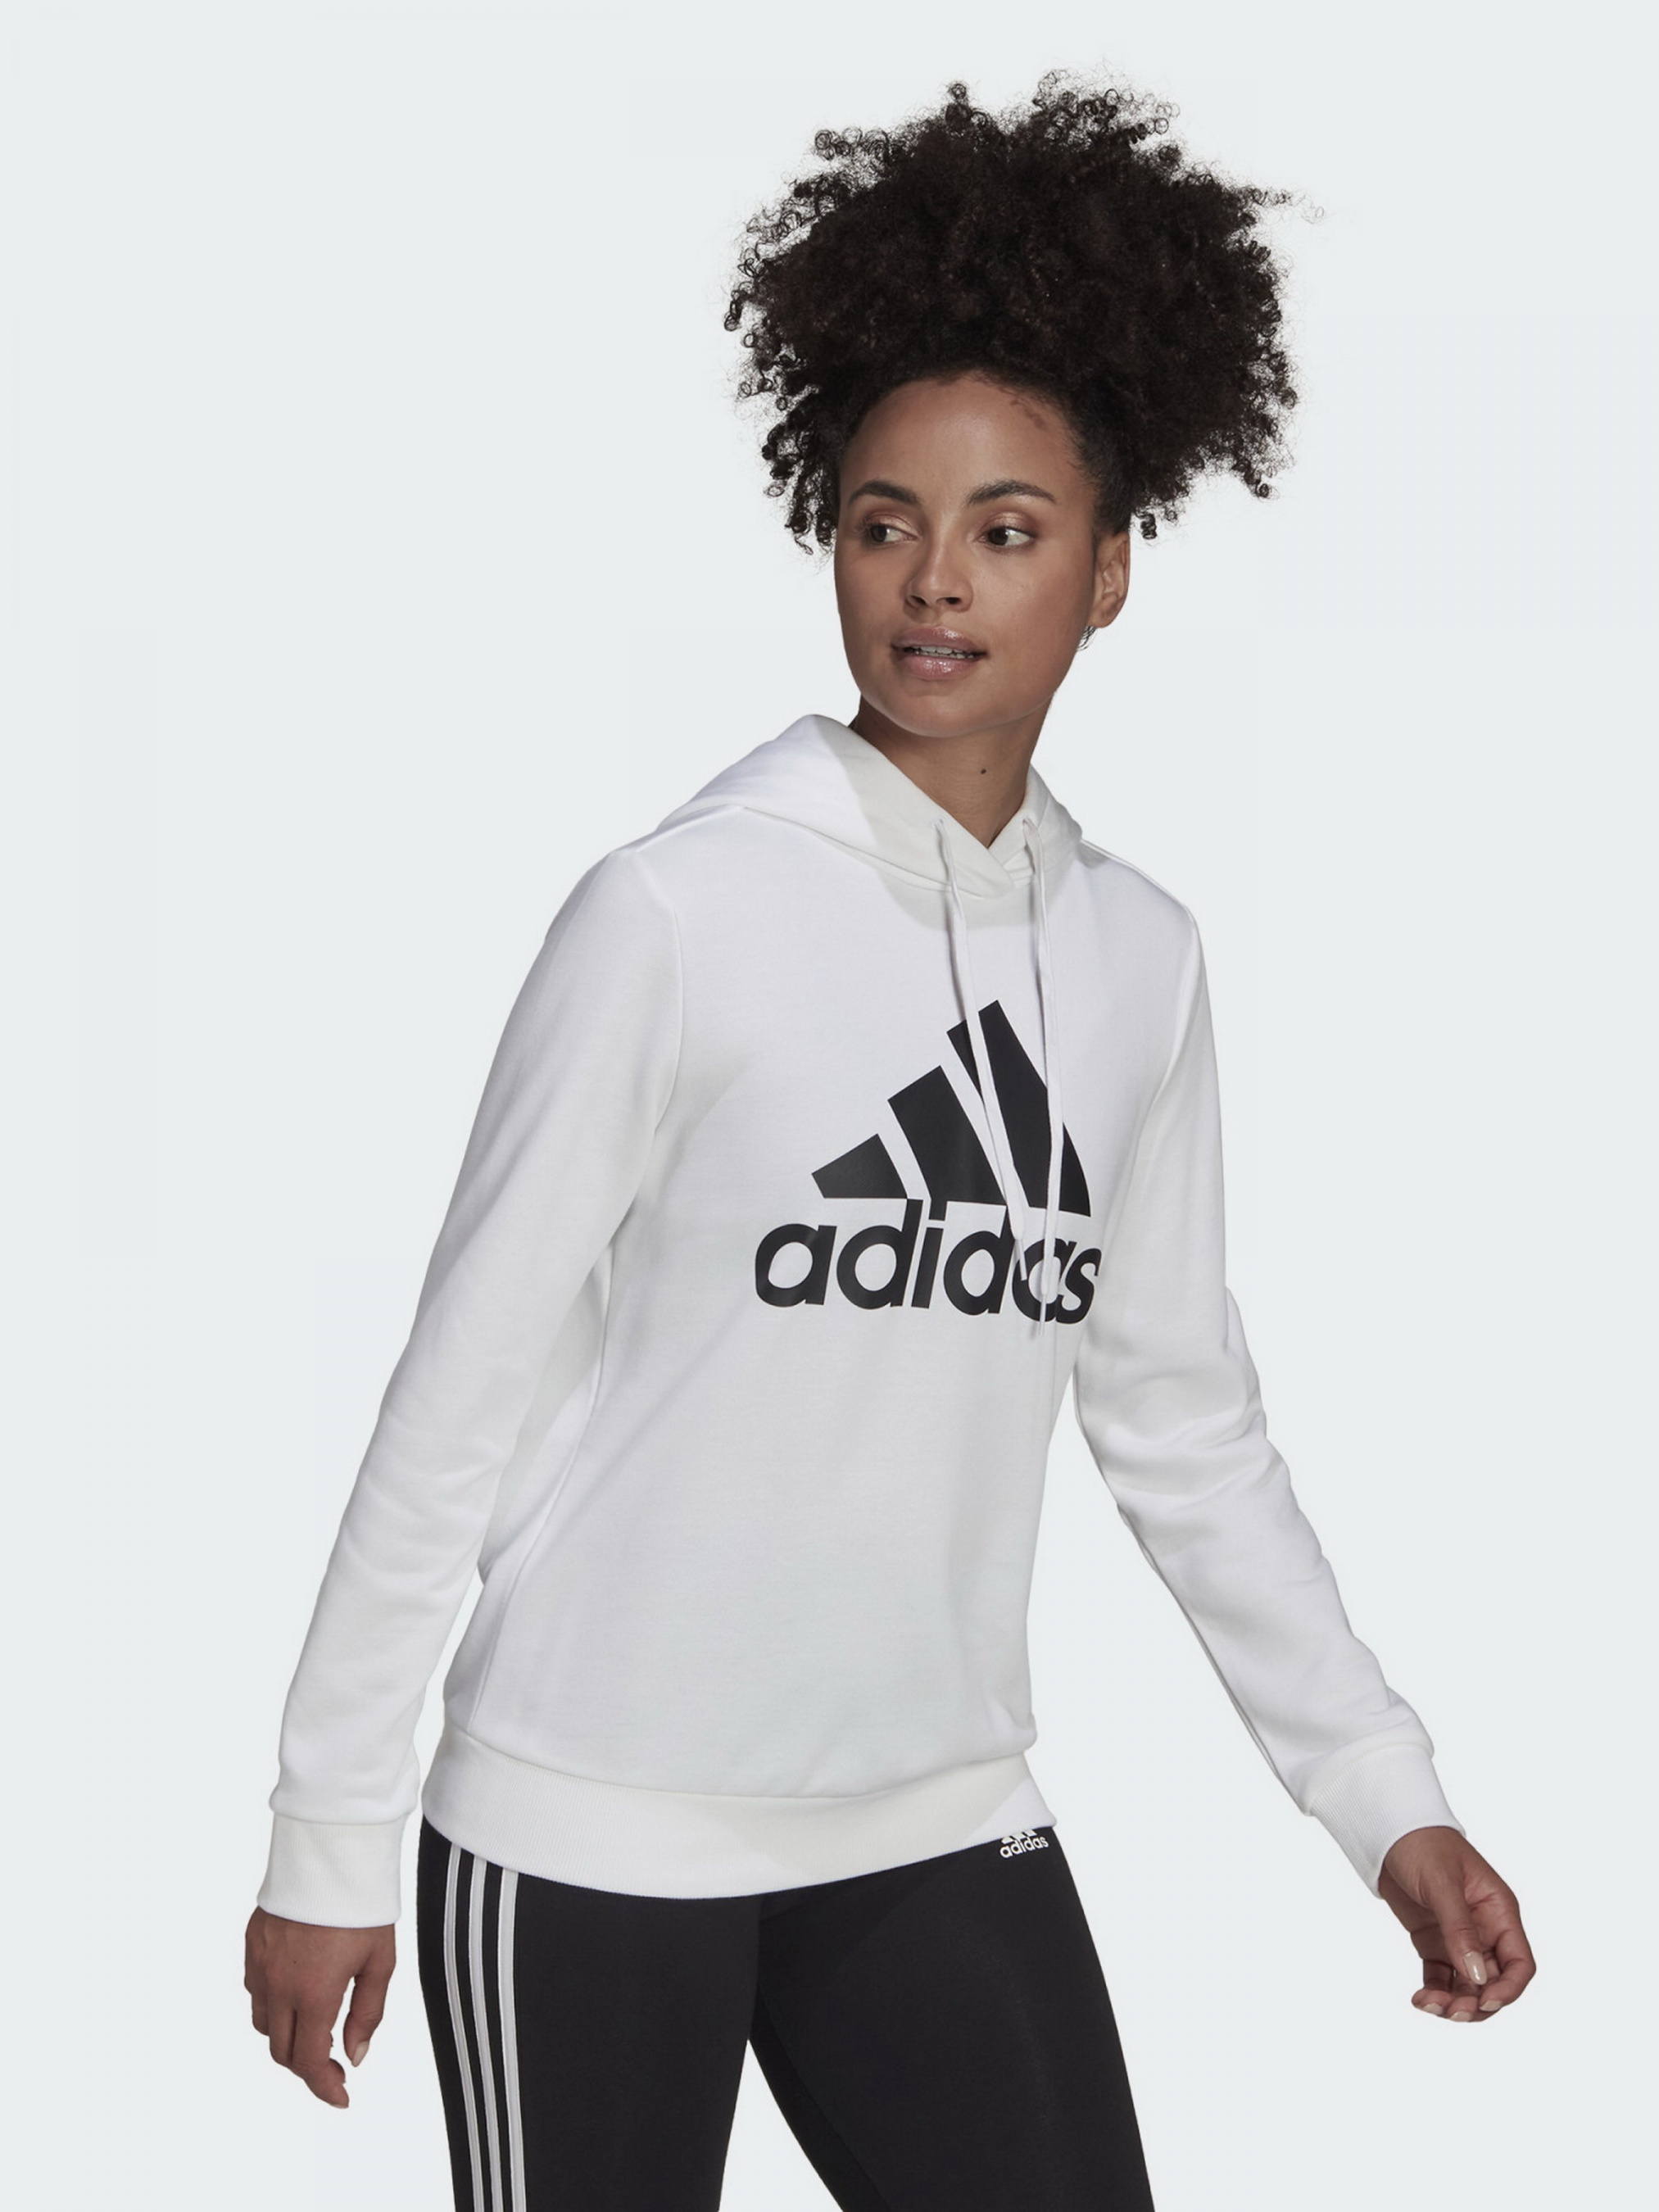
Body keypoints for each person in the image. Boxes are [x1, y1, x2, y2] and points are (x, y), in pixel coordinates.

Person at [245, 74, 1534, 2210]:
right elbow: (453, 1397)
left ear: (1109, 572)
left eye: (1007, 531)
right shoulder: (675, 916)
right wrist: (325, 1831)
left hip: (930, 1816)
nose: (933, 583)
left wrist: (1380, 1796)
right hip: (588, 1829)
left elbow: (1184, 1426)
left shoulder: (1135, 961)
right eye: (879, 523)